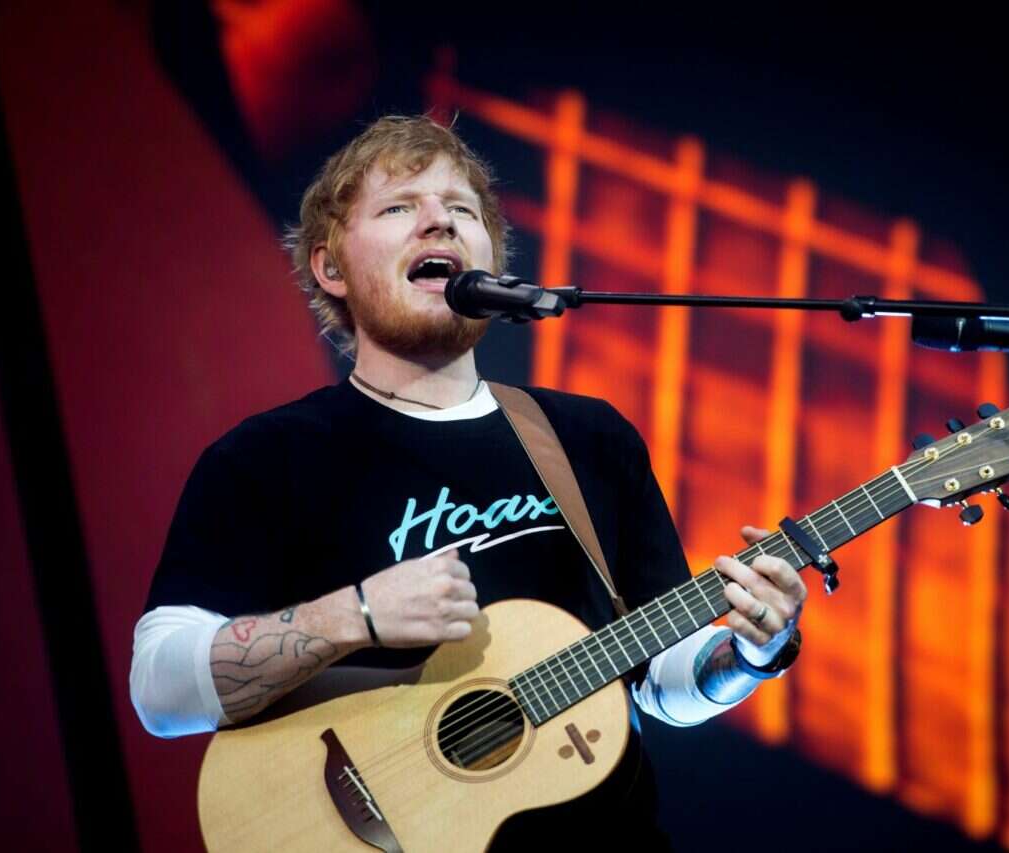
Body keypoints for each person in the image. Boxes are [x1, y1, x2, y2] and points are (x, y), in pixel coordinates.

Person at [130, 115, 808, 848]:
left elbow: (659, 685)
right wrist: (354, 616)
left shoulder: (588, 438)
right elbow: (160, 692)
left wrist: (749, 656)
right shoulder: (266, 458)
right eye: (400, 207)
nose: (440, 222)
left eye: (462, 209)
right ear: (331, 269)